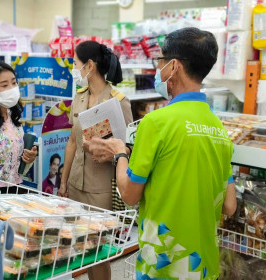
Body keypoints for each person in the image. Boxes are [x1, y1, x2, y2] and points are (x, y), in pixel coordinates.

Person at [86, 27, 237, 280]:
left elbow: (130, 194)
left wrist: (120, 153)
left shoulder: (156, 123)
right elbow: (230, 206)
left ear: (174, 66)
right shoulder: (219, 129)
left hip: (165, 266)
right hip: (204, 266)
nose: (159, 69)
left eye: (161, 62)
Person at [58, 41, 133, 280]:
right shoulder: (79, 98)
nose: (73, 68)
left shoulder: (118, 101)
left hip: (100, 188)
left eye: (75, 63)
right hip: (76, 184)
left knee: (98, 251)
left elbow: (129, 147)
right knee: (82, 248)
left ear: (89, 65)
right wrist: (63, 181)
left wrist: (112, 149)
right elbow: (72, 142)